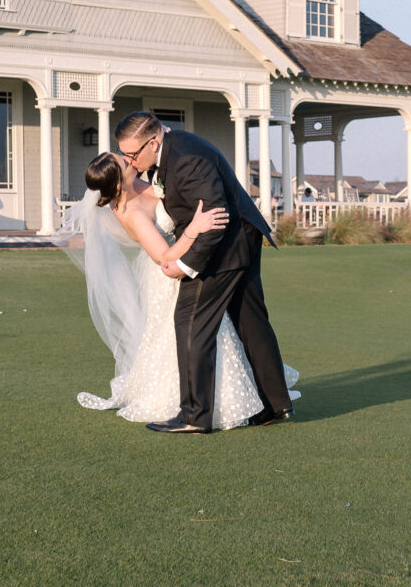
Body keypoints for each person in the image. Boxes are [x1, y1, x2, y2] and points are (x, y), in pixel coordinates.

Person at [63, 152, 299, 430]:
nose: (131, 160)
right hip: (171, 274)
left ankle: (236, 395)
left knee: (217, 328)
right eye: (126, 163)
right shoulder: (130, 211)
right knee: (186, 333)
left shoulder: (147, 180)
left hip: (195, 262)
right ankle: (194, 402)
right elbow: (164, 256)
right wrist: (195, 229)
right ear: (117, 184)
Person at [114, 111, 296, 434]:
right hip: (241, 238)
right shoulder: (172, 149)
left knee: (190, 321)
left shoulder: (185, 159)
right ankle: (276, 405)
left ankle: (195, 416)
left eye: (132, 154)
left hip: (224, 245)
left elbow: (216, 218)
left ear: (153, 143)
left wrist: (183, 266)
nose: (129, 162)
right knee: (251, 322)